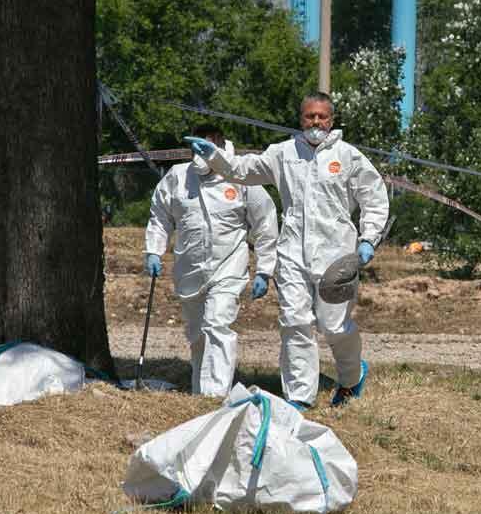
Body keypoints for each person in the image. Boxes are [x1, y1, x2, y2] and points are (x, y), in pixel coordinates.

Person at [184, 92, 389, 410]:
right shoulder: (282, 153)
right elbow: (243, 170)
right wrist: (215, 157)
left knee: (334, 326)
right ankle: (300, 396)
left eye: (322, 116)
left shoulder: (348, 156)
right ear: (301, 119)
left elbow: (374, 197)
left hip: (337, 255)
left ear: (332, 120)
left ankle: (351, 376)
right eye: (310, 116)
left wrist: (368, 239)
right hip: (292, 252)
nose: (316, 122)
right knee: (295, 323)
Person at [145, 124, 279, 396]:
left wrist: (265, 270)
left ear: (218, 147)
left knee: (217, 325)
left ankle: (214, 395)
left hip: (228, 266)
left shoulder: (241, 178)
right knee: (197, 336)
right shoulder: (177, 177)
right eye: (196, 149)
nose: (200, 156)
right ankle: (199, 393)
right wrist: (153, 250)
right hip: (190, 269)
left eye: (206, 149)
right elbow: (160, 216)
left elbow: (265, 224)